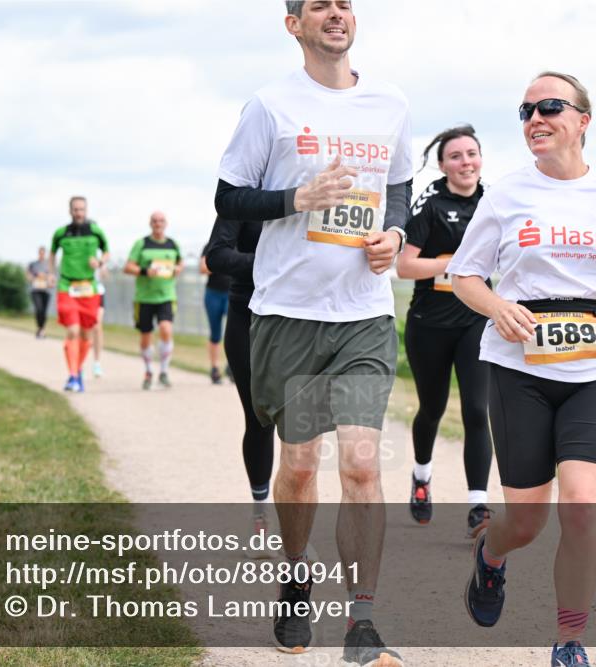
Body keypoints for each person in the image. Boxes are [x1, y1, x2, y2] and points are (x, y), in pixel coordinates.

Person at [215, 1, 412, 663]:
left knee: (360, 463)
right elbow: (228, 198)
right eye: (320, 4)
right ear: (293, 23)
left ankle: (363, 621)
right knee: (299, 466)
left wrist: (395, 235)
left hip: (363, 315)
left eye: (345, 4)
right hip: (290, 315)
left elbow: (399, 186)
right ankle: (296, 575)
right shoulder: (270, 106)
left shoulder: (390, 104)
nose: (335, 13)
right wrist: (294, 200)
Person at [447, 71, 596, 667]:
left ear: (582, 120)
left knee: (582, 506)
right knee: (527, 521)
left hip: (594, 368)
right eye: (526, 111)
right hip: (519, 369)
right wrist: (497, 307)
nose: (535, 119)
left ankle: (569, 643)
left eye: (549, 107)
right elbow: (464, 276)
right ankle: (491, 556)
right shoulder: (506, 195)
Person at [396, 124, 493, 537]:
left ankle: (478, 507)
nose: (465, 162)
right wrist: (454, 265)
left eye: (472, 154)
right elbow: (404, 266)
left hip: (476, 321)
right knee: (432, 408)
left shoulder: (494, 202)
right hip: (430, 325)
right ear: (442, 165)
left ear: (481, 159)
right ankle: (421, 477)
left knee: (476, 409)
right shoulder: (430, 203)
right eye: (456, 156)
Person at [205, 217, 277, 553]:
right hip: (246, 315)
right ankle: (260, 516)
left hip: (303, 320)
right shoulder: (243, 195)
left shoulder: (316, 192)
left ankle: (297, 529)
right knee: (259, 420)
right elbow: (216, 256)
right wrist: (274, 260)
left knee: (302, 428)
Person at [50, 196, 109, 392]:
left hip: (88, 288)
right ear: (70, 211)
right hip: (67, 286)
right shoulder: (61, 233)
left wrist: (100, 262)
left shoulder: (96, 231)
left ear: (86, 210)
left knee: (86, 334)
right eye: (75, 209)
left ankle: (77, 369)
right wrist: (51, 273)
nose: (79, 213)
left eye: (82, 209)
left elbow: (106, 251)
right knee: (73, 330)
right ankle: (73, 375)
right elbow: (52, 254)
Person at [123, 211, 182, 390]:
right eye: (155, 221)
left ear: (166, 223)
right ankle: (148, 371)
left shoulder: (173, 244)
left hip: (166, 296)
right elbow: (128, 267)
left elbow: (180, 263)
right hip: (144, 298)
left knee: (166, 329)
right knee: (146, 336)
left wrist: (177, 269)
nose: (158, 224)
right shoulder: (141, 244)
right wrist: (144, 271)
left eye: (161, 221)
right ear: (150, 223)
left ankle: (164, 371)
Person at [200, 240, 231, 384]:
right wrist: (227, 263)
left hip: (232, 293)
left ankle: (232, 366)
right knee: (215, 332)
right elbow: (203, 268)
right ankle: (214, 368)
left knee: (234, 331)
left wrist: (218, 263)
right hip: (213, 293)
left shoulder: (239, 243)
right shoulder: (211, 245)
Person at [28, 246, 54, 339]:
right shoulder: (33, 264)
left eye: (43, 253)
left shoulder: (49, 265)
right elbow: (28, 276)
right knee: (38, 309)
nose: (41, 254)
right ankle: (39, 328)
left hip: (46, 290)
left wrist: (49, 280)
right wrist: (35, 277)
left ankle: (42, 329)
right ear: (38, 253)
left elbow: (52, 278)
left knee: (44, 311)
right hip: (36, 290)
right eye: (40, 253)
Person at [91, 265, 106, 377]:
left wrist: (101, 267)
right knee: (82, 329)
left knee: (97, 326)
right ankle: (78, 364)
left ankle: (97, 363)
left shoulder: (100, 256)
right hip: (80, 291)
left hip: (98, 292)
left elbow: (105, 274)